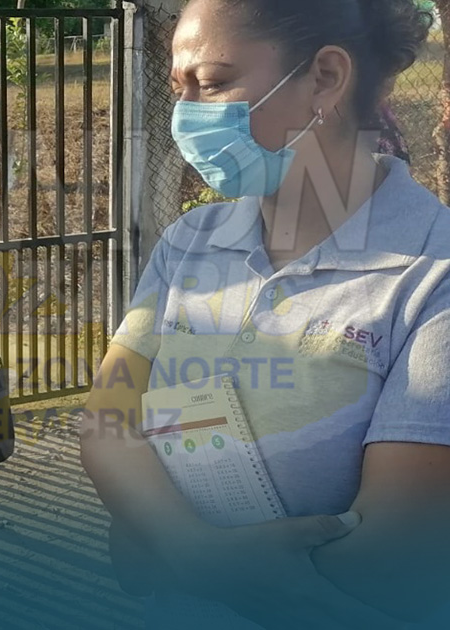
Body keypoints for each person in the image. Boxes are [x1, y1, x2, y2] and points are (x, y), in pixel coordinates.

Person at [80, 0, 448, 628]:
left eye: (212, 82)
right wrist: (188, 547)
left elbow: (389, 551)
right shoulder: (188, 242)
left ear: (325, 78)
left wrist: (167, 549)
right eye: (179, 87)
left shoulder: (431, 274)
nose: (186, 113)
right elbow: (106, 419)